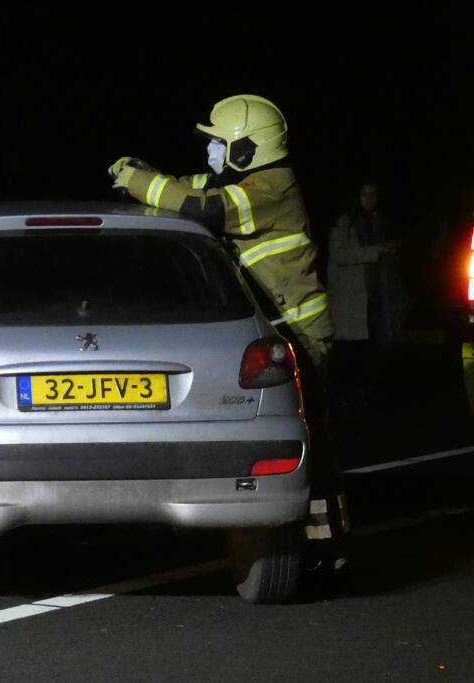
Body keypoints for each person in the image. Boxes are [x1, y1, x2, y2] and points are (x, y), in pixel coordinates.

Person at [108, 94, 349, 580]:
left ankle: (329, 550)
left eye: (219, 145)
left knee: (312, 446)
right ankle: (297, 542)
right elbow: (185, 187)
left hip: (300, 332)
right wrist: (148, 177)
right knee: (288, 441)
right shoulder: (244, 181)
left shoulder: (270, 187)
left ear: (245, 150)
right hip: (277, 331)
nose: (212, 154)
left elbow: (201, 207)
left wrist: (138, 180)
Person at [327, 181, 404, 413]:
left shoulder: (376, 221)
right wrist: (378, 250)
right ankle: (343, 398)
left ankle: (363, 396)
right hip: (349, 300)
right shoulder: (344, 221)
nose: (371, 198)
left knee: (368, 351)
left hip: (370, 297)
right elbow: (339, 255)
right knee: (348, 351)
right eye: (365, 193)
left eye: (374, 194)